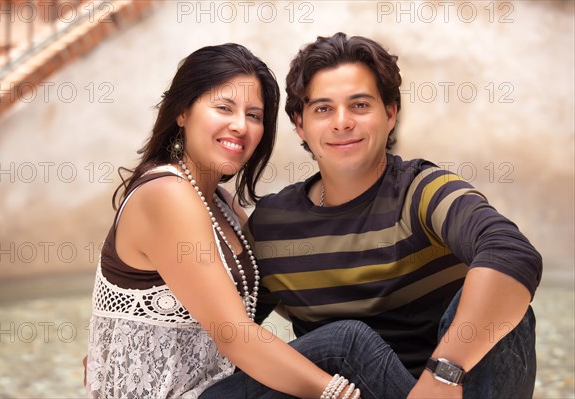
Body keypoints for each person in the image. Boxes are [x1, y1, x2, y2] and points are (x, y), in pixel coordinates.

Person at [200, 33, 542, 398]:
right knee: (338, 343)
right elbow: (238, 333)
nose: (342, 122)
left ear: (390, 114)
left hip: (454, 389)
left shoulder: (422, 190)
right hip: (350, 392)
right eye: (323, 109)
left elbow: (512, 252)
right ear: (300, 124)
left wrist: (443, 374)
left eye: (360, 105)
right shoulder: (273, 227)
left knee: (505, 295)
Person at [84, 43, 371, 398]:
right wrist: (340, 394)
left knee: (350, 336)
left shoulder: (222, 205)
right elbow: (235, 336)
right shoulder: (168, 193)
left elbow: (281, 296)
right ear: (182, 112)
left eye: (253, 115)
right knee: (347, 344)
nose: (240, 126)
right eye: (223, 108)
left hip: (215, 389)